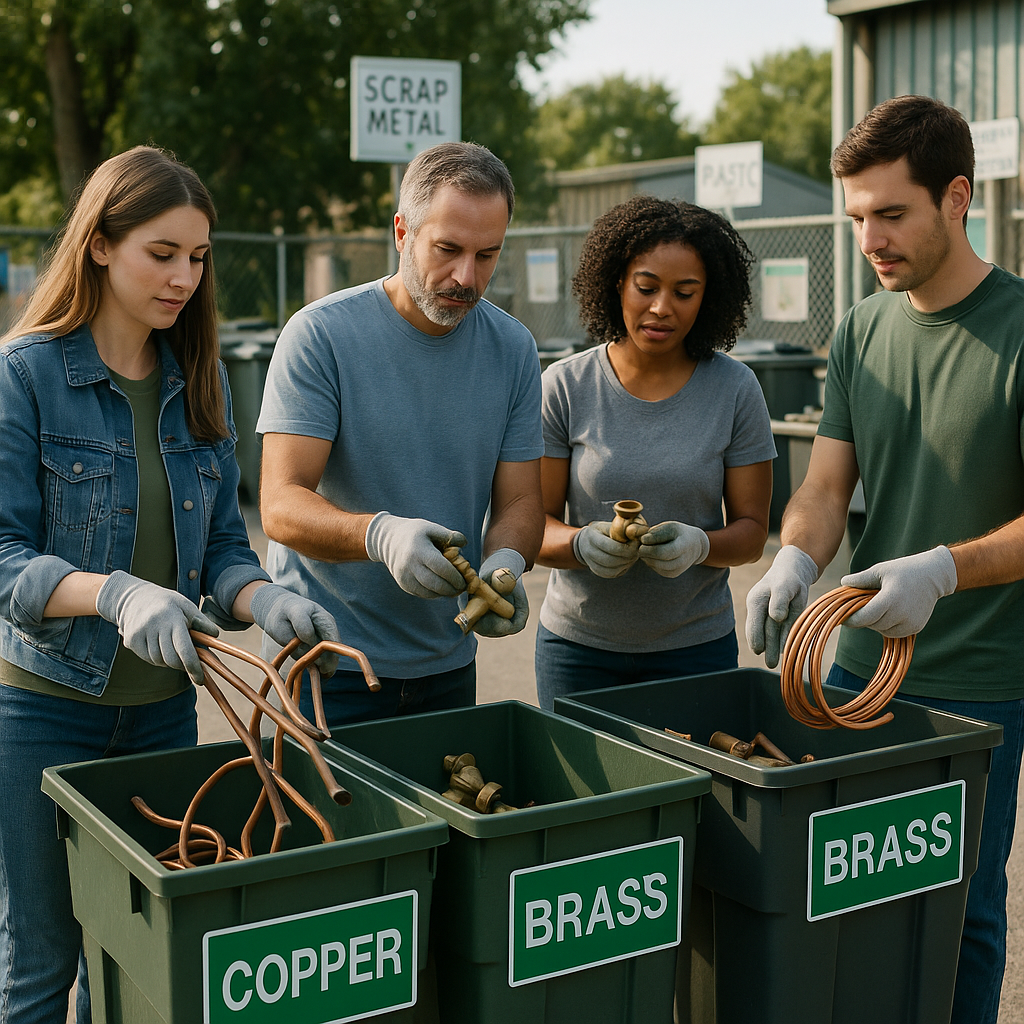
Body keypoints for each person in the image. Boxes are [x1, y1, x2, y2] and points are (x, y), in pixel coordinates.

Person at [0, 145, 340, 1024]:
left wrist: (265, 599)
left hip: (160, 714)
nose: (185, 276)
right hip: (40, 714)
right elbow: (2, 560)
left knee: (136, 958)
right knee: (43, 962)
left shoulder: (202, 380)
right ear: (101, 244)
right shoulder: (25, 373)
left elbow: (225, 544)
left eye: (198, 256)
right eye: (163, 252)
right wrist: (114, 594)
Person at [745, 95, 1024, 1024]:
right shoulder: (863, 329)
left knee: (966, 911)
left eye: (891, 213)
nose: (869, 238)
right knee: (854, 895)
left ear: (957, 198)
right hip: (860, 668)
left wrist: (940, 569)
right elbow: (826, 490)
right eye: (857, 216)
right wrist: (792, 559)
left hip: (981, 680)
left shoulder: (1021, 329)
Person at [257, 141, 545, 727]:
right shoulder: (320, 336)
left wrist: (507, 562)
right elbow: (280, 505)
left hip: (447, 663)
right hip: (323, 662)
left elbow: (520, 499)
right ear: (401, 231)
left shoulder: (513, 348)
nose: (467, 277)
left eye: (488, 255)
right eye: (448, 249)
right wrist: (379, 536)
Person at [533, 195, 776, 710]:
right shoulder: (564, 386)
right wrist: (580, 545)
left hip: (695, 650)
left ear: (709, 297)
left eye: (685, 292)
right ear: (616, 282)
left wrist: (702, 546)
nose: (662, 307)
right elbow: (532, 526)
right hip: (578, 650)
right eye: (646, 287)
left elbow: (753, 532)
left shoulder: (735, 389)